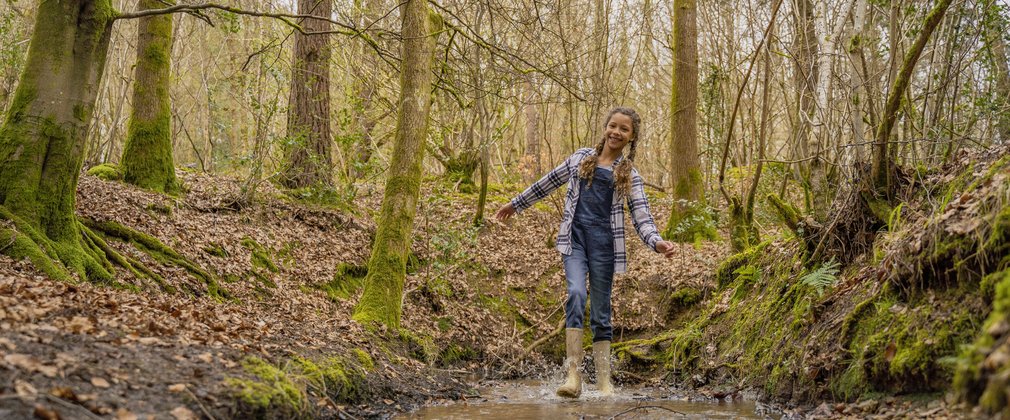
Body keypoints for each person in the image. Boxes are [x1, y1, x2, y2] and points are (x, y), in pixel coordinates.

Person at [495, 107, 676, 398]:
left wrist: (657, 242)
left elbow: (642, 217)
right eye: (612, 126)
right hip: (575, 241)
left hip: (606, 246)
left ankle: (604, 383)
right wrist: (516, 204)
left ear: (631, 137)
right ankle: (573, 376)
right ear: (605, 128)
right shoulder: (580, 158)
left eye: (624, 129)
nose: (616, 132)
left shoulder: (630, 175)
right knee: (577, 294)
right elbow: (548, 182)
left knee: (602, 312)